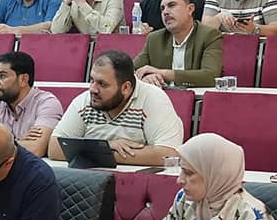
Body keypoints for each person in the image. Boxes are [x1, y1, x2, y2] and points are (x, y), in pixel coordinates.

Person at [49, 50, 183, 165]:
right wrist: (107, 146)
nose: (93, 89)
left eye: (102, 84)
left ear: (126, 88)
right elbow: (55, 148)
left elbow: (168, 154)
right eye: (92, 80)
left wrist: (94, 153)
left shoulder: (153, 99)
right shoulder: (85, 100)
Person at [134, 0, 222, 88]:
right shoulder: (155, 39)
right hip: (162, 96)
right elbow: (130, 70)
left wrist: (162, 73)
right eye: (162, 8)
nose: (165, 12)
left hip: (196, 96)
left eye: (172, 5)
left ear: (190, 9)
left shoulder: (209, 35)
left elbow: (211, 76)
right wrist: (145, 77)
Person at [0, 52, 62, 157]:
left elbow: (36, 148)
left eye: (2, 76)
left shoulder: (47, 103)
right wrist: (16, 141)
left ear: (23, 79)